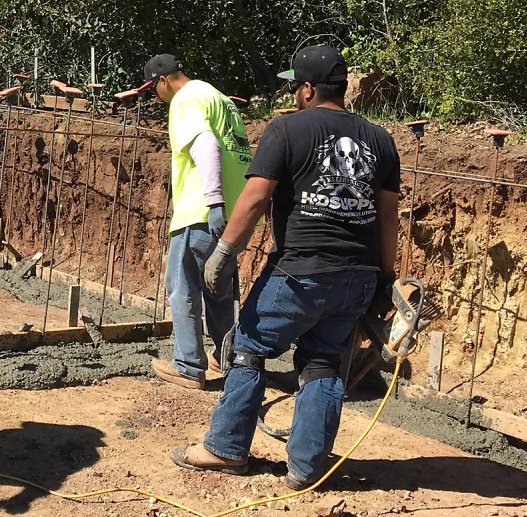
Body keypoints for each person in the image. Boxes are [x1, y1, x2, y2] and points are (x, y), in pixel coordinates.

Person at [170, 45, 400, 488]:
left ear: (310, 88)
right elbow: (387, 217)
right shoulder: (381, 140)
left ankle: (225, 448)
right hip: (356, 275)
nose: (294, 93)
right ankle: (307, 467)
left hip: (301, 273)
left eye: (296, 86)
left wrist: (225, 251)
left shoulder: (288, 129)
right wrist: (383, 279)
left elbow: (256, 197)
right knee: (323, 363)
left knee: (247, 348)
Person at [142, 54, 251, 388]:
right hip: (236, 216)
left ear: (163, 80)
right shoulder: (219, 99)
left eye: (153, 89)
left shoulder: (186, 99)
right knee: (217, 289)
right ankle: (228, 359)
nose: (155, 97)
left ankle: (188, 364)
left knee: (182, 285)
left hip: (201, 214)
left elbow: (206, 145)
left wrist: (213, 202)